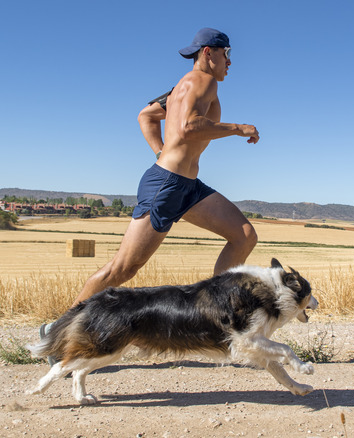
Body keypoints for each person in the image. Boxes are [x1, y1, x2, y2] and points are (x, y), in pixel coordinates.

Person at [71, 27, 260, 307]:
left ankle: (219, 313)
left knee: (244, 235)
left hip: (188, 187)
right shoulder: (203, 81)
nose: (230, 61)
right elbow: (188, 127)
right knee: (123, 268)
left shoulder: (182, 89)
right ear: (208, 52)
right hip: (167, 184)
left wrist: (161, 151)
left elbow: (146, 115)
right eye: (227, 53)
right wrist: (237, 128)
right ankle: (60, 331)